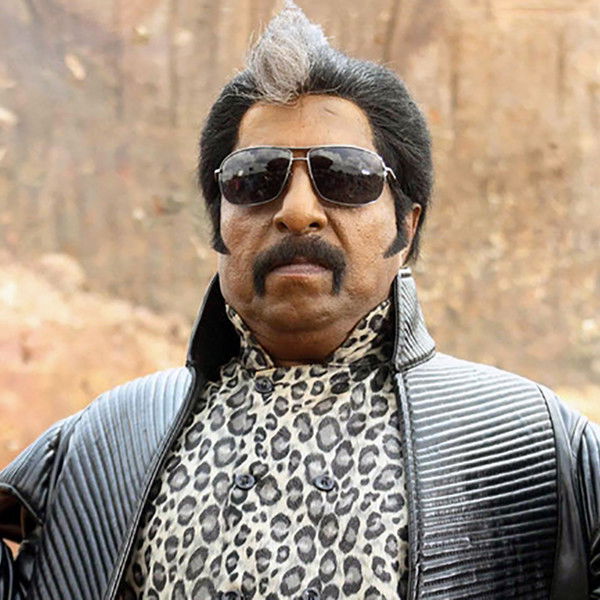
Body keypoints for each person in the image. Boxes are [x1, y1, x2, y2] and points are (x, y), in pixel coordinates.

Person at [1, 2, 599, 599]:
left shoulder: (531, 450)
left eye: (345, 176)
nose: (297, 211)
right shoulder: (104, 446)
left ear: (406, 224)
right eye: (255, 178)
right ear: (219, 225)